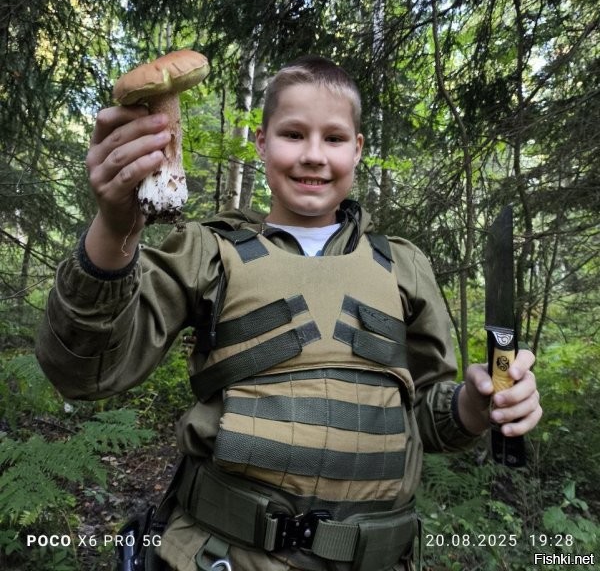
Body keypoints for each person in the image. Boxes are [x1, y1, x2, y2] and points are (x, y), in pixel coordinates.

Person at [37, 56, 542, 571]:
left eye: (334, 138)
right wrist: (115, 226)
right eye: (293, 134)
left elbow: (423, 419)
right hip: (223, 557)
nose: (313, 156)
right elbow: (84, 371)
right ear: (261, 143)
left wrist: (477, 406)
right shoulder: (209, 251)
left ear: (358, 149)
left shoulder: (401, 267)